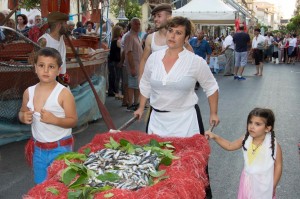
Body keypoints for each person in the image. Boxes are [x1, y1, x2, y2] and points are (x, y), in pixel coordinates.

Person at [135, 17, 219, 198]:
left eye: (178, 32)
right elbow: (146, 84)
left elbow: (211, 87)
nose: (172, 35)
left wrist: (213, 113)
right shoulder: (154, 59)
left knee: (188, 169)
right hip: (157, 120)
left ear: (187, 37)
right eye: (171, 31)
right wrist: (141, 107)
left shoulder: (195, 62)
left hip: (186, 122)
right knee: (158, 167)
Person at [19, 47, 78, 184]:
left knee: (60, 186)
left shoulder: (64, 94)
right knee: (41, 185)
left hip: (61, 148)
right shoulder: (29, 92)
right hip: (38, 149)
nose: (45, 70)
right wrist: (23, 117)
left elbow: (73, 120)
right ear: (35, 68)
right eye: (41, 65)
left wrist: (54, 120)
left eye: (51, 66)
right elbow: (22, 112)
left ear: (58, 70)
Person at [205, 108, 282, 198]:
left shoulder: (273, 145)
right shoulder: (246, 139)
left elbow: (278, 165)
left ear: (267, 128)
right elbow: (230, 145)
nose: (252, 126)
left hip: (264, 185)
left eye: (257, 124)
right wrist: (214, 137)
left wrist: (273, 185)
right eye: (250, 122)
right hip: (247, 182)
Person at [139, 3, 193, 81]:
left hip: (174, 85)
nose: (155, 19)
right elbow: (143, 60)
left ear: (168, 17)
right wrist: (140, 80)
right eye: (155, 16)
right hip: (155, 85)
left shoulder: (177, 37)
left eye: (159, 16)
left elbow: (192, 59)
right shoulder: (150, 38)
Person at [38, 11, 69, 83]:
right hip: (48, 81)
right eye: (65, 23)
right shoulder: (44, 41)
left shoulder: (61, 38)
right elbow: (34, 62)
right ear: (59, 25)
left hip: (60, 79)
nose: (67, 26)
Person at [123, 17, 143, 111]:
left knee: (136, 85)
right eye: (136, 23)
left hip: (138, 65)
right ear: (132, 24)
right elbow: (129, 52)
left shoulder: (136, 36)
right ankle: (130, 104)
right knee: (131, 85)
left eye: (139, 23)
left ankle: (136, 103)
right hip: (133, 65)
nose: (138, 25)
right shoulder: (129, 36)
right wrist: (132, 68)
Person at [108, 25, 122, 98]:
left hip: (112, 60)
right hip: (116, 61)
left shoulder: (112, 40)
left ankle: (111, 90)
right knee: (117, 77)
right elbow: (121, 51)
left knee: (112, 76)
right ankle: (116, 91)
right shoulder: (118, 41)